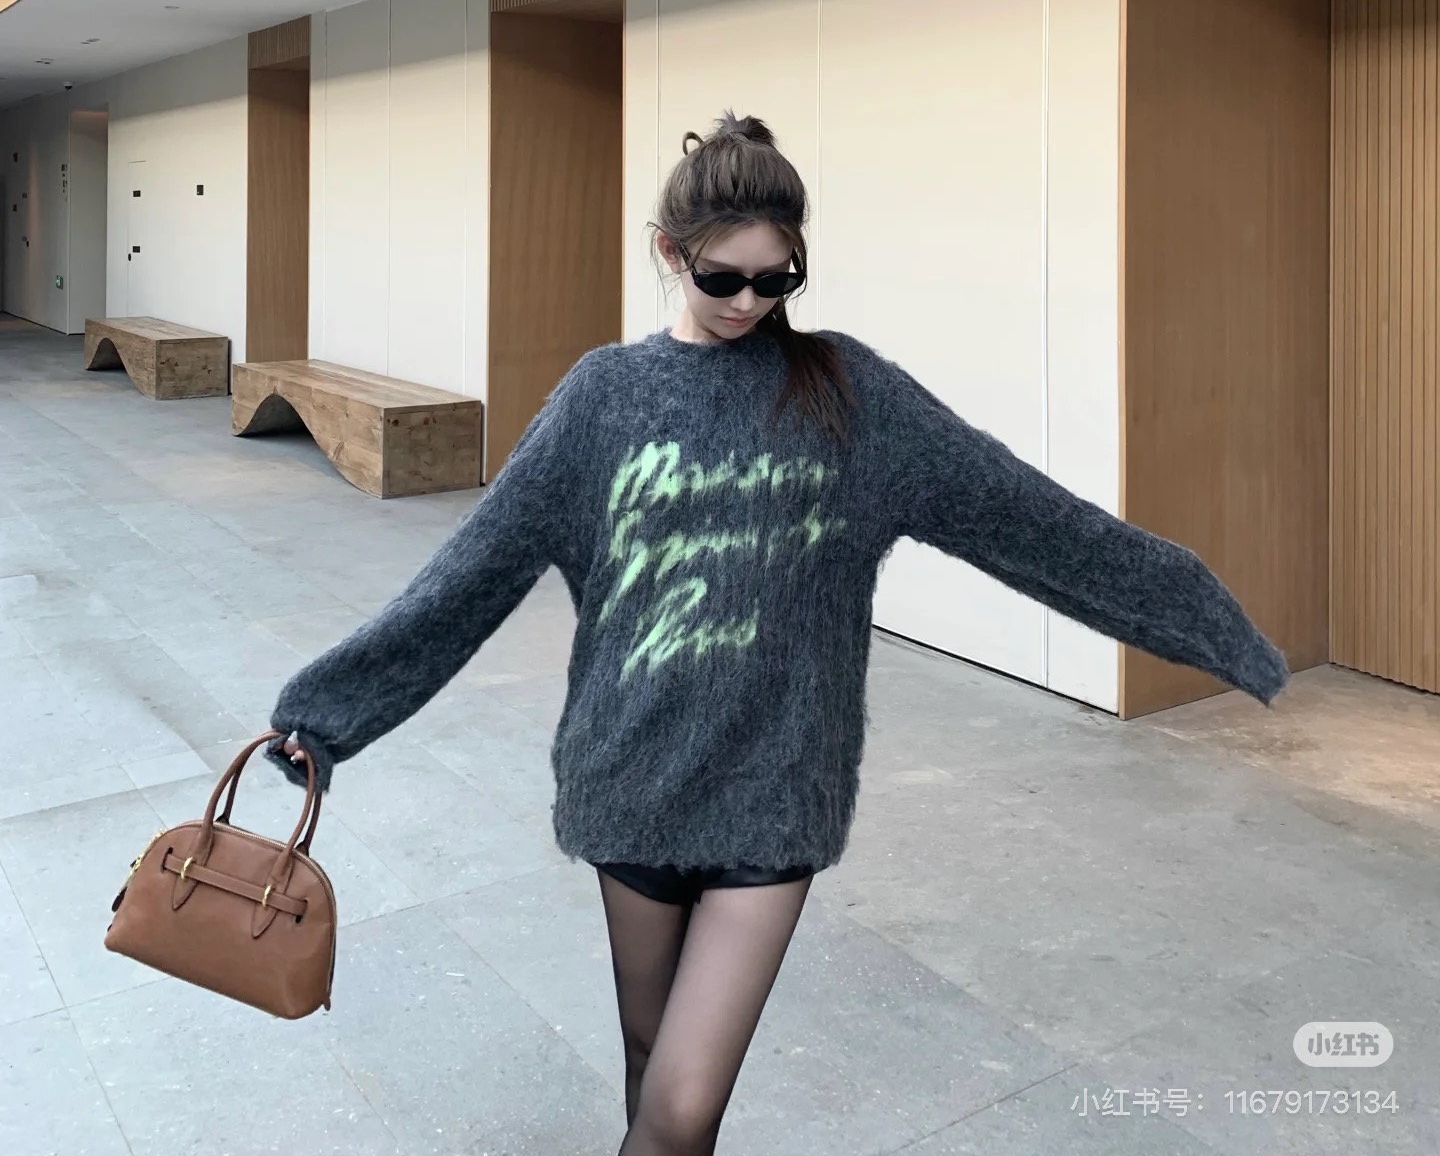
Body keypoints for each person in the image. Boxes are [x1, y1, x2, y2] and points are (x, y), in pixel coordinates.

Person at [267, 111, 1287, 1155]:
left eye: (777, 279)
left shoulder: (848, 395)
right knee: (649, 1072)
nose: (751, 303)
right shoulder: (604, 398)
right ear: (670, 254)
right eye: (724, 278)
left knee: (679, 1111)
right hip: (631, 780)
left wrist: (1209, 621)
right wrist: (330, 714)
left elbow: (1027, 520)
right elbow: (472, 573)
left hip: (778, 790)